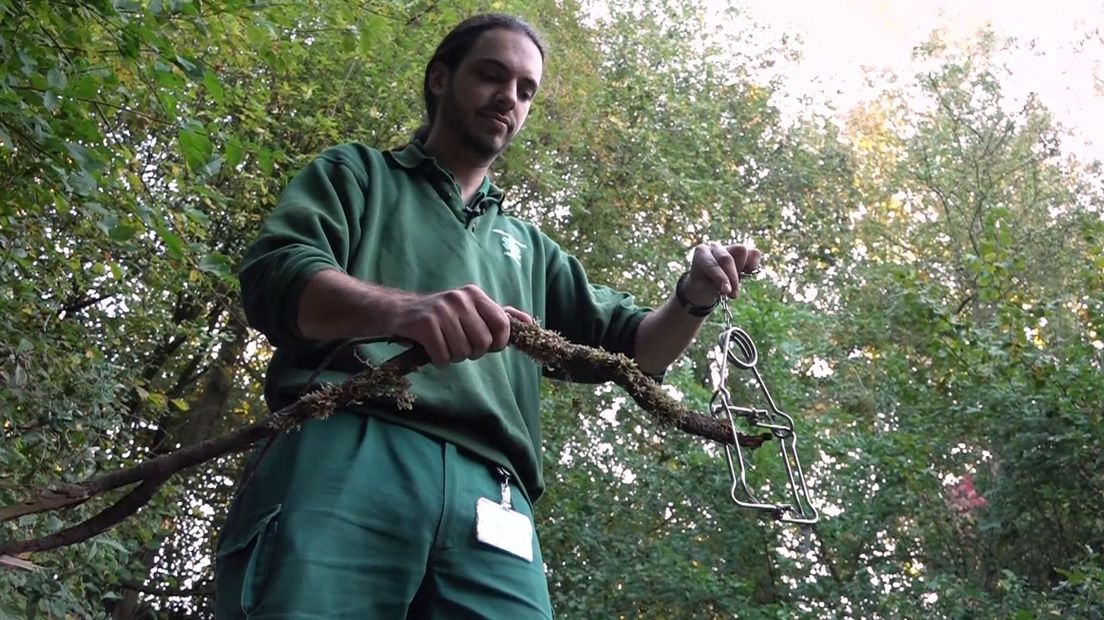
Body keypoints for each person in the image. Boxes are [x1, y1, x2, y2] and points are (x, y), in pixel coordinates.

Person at [214, 13, 761, 619]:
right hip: (350, 444)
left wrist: (692, 297)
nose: (510, 97)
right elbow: (276, 276)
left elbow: (638, 351)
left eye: (526, 89)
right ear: (442, 79)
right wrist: (407, 310)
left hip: (498, 496)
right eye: (493, 76)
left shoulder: (530, 248)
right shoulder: (360, 175)